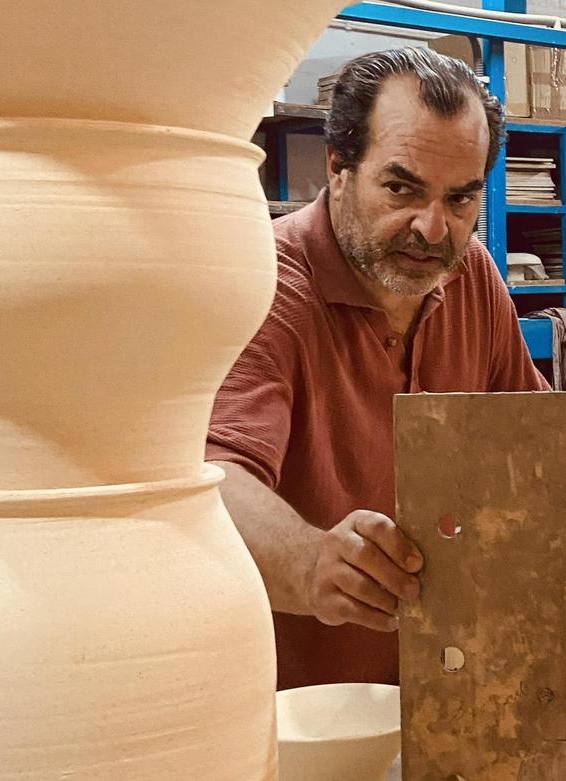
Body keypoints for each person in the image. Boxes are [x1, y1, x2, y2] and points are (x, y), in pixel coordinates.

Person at [205, 47, 550, 690]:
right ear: (337, 167)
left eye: (460, 199)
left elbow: (535, 452)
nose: (433, 229)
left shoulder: (472, 275)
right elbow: (213, 480)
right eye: (402, 188)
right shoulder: (268, 285)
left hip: (448, 683)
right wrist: (309, 561)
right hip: (301, 707)